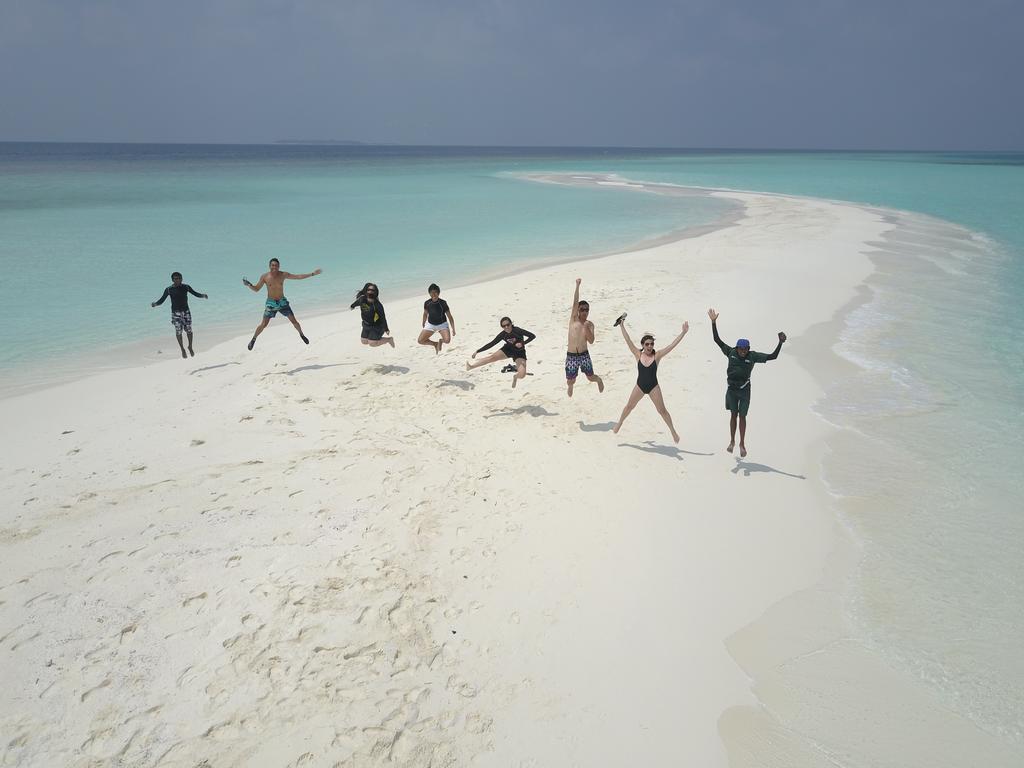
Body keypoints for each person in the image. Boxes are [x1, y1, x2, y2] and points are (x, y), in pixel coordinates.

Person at [707, 308, 787, 457]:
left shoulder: (753, 356)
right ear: (736, 348)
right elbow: (717, 340)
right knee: (733, 415)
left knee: (742, 416)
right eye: (740, 349)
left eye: (745, 349)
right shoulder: (730, 352)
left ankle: (742, 443)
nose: (743, 351)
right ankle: (732, 441)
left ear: (748, 349)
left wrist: (780, 343)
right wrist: (713, 322)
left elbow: (773, 356)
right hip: (731, 389)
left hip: (744, 390)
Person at [612, 318, 689, 442]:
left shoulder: (657, 356)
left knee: (662, 411)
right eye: (647, 344)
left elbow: (671, 346)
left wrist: (683, 333)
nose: (649, 346)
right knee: (629, 406)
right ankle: (619, 423)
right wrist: (622, 326)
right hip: (640, 386)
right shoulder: (638, 354)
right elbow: (628, 340)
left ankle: (673, 431)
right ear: (643, 345)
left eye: (651, 344)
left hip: (653, 387)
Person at [242, 258, 321, 350]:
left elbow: (298, 277)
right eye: (272, 265)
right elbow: (256, 289)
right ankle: (253, 339)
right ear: (269, 266)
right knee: (263, 324)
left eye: (276, 265)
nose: (274, 267)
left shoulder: (283, 275)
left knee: (294, 321)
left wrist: (312, 274)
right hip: (271, 303)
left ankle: (302, 335)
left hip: (282, 302)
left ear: (279, 266)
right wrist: (249, 285)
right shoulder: (264, 277)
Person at [466, 317, 536, 388]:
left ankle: (515, 377)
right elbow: (492, 343)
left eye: (508, 325)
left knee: (522, 374)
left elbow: (532, 336)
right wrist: (477, 351)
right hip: (507, 349)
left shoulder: (518, 330)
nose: (506, 327)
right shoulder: (503, 334)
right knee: (491, 358)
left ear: (511, 324)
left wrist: (522, 343)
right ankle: (471, 367)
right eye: (503, 326)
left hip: (519, 353)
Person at [151, 272, 208, 358]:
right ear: (172, 280)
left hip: (186, 312)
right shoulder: (169, 290)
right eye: (175, 279)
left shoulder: (186, 287)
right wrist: (155, 304)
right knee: (178, 332)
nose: (177, 280)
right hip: (176, 313)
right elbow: (162, 300)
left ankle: (190, 346)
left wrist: (203, 295)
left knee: (189, 330)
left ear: (181, 279)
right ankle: (182, 349)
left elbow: (195, 293)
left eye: (178, 278)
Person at [565, 278, 604, 397]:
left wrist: (586, 327)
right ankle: (571, 386)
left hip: (584, 354)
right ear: (578, 310)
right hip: (571, 355)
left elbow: (591, 341)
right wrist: (577, 285)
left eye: (587, 310)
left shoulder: (590, 324)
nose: (584, 312)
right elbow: (575, 301)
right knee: (571, 380)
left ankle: (599, 380)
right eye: (582, 310)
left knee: (590, 378)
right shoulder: (573, 319)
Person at [350, 282, 394, 348]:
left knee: (372, 343)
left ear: (375, 292)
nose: (370, 291)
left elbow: (383, 318)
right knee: (364, 341)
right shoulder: (362, 299)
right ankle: (373, 337)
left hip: (376, 326)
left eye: (372, 290)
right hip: (366, 324)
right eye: (368, 290)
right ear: (366, 291)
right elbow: (357, 303)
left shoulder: (377, 305)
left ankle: (389, 340)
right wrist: (352, 306)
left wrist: (386, 329)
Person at [418, 283, 456, 354]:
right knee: (420, 341)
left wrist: (453, 329)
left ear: (438, 293)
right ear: (429, 293)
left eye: (436, 292)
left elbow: (450, 317)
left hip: (442, 325)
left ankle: (441, 341)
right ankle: (435, 344)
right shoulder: (427, 303)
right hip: (431, 324)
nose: (434, 294)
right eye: (432, 293)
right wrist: (423, 322)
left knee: (447, 340)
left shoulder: (443, 303)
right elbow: (425, 314)